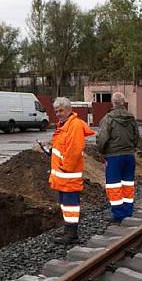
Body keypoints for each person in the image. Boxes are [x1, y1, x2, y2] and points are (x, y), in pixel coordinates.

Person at [48, 97, 94, 244]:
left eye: (61, 110)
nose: (58, 114)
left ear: (69, 109)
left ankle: (71, 234)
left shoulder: (73, 126)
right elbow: (63, 148)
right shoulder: (64, 125)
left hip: (68, 175)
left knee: (71, 205)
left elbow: (74, 150)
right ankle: (68, 229)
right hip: (63, 175)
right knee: (66, 204)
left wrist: (65, 167)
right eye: (56, 111)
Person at [96, 91, 139, 223]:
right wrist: (132, 149)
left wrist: (102, 152)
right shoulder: (131, 118)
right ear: (124, 102)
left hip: (114, 156)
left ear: (113, 103)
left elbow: (102, 138)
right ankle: (128, 211)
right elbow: (136, 136)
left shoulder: (108, 119)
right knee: (128, 184)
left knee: (114, 186)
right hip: (129, 156)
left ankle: (118, 214)